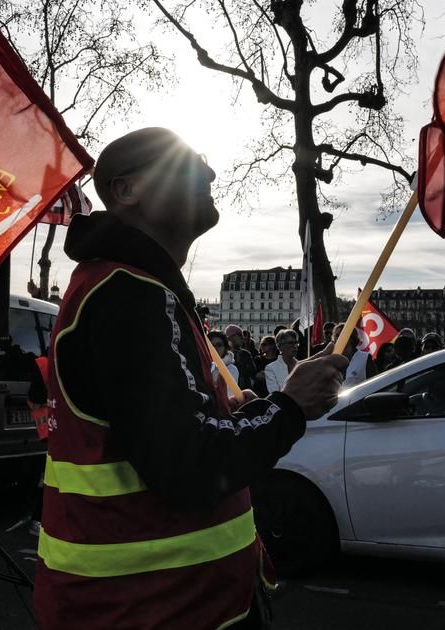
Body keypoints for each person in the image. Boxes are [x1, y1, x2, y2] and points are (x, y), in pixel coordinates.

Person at [36, 127, 349, 629]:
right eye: (185, 164)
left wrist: (244, 414)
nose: (209, 172)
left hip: (161, 603)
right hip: (156, 607)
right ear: (126, 191)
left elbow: (163, 439)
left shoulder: (132, 288)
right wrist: (287, 407)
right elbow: (188, 465)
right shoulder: (129, 295)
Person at [332, 323, 377, 388]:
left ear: (351, 337)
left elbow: (374, 385)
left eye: (341, 335)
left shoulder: (365, 357)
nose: (338, 338)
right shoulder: (332, 361)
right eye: (336, 336)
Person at [264, 329, 301, 394]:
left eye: (296, 343)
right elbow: (275, 393)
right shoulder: (271, 368)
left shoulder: (302, 366)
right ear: (281, 346)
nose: (295, 346)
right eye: (290, 343)